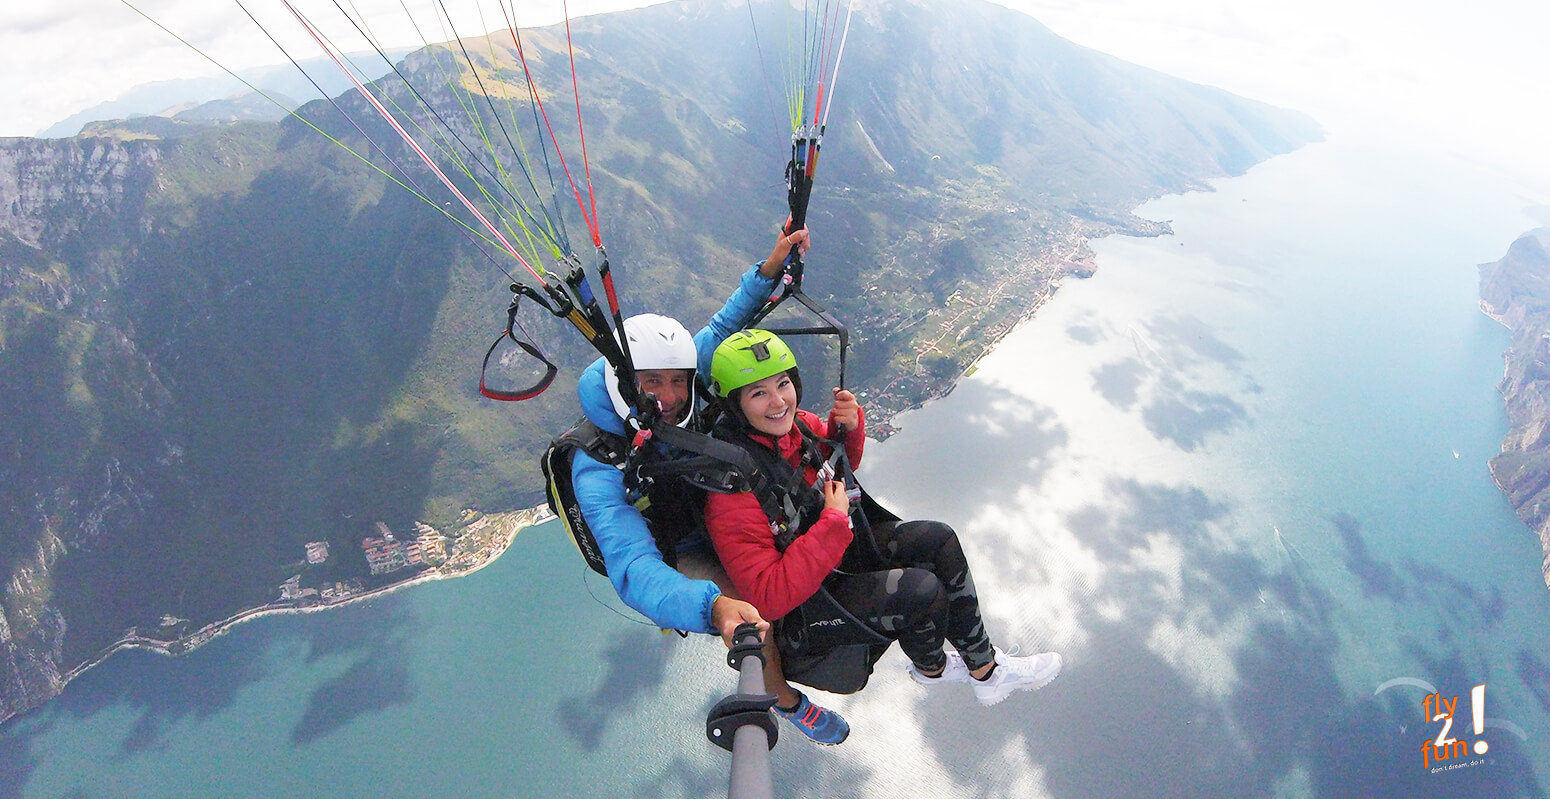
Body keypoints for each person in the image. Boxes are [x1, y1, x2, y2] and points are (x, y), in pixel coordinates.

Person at [566, 225, 850, 744]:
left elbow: (726, 322)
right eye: (655, 383)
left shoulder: (683, 373)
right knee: (753, 614)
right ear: (624, 382)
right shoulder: (598, 463)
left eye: (678, 380)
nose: (672, 395)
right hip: (681, 542)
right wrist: (710, 607)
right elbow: (632, 566)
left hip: (727, 501)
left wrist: (771, 268)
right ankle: (787, 701)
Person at [702, 329, 1063, 708]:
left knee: (939, 540)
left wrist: (851, 430)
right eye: (759, 393)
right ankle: (934, 669)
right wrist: (832, 523)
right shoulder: (732, 492)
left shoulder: (798, 429)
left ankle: (986, 670)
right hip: (805, 614)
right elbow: (768, 599)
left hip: (832, 565)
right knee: (920, 591)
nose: (778, 402)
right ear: (735, 407)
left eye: (783, 384)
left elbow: (839, 468)